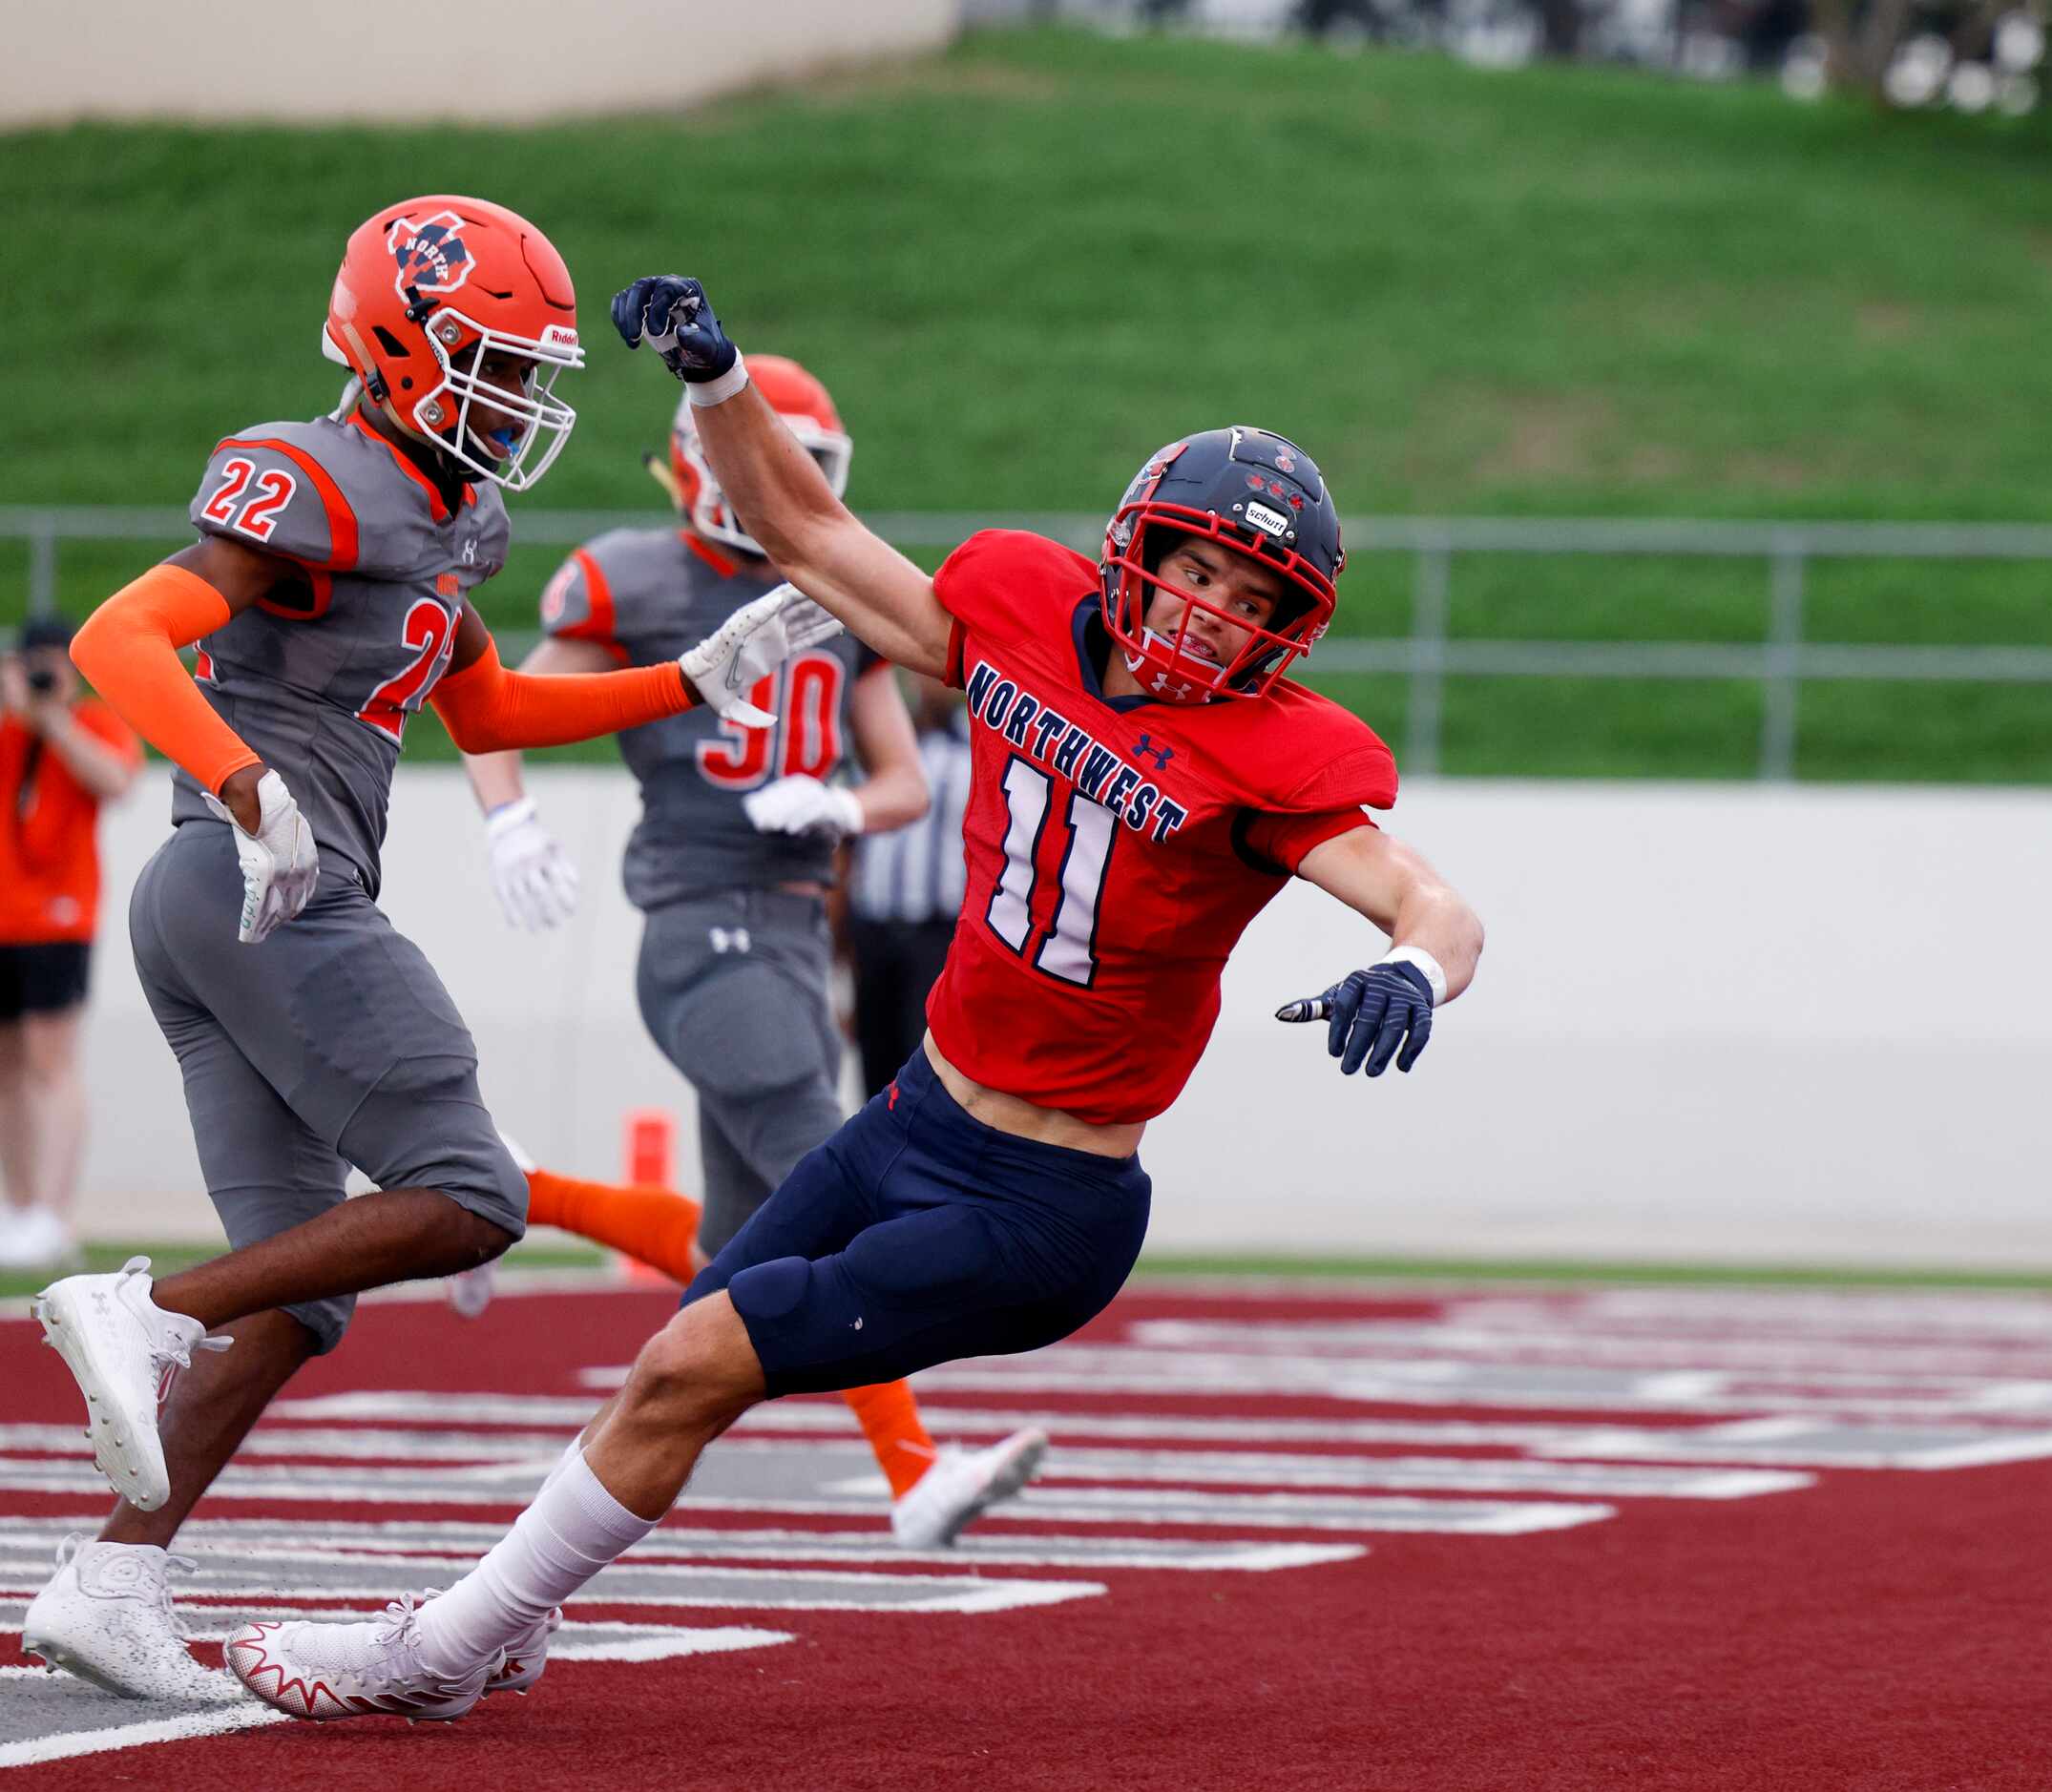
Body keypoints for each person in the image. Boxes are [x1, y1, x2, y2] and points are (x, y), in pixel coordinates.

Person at [217, 274, 1487, 1723]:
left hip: (1044, 1202)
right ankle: (507, 1625)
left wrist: (1410, 967)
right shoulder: (1018, 607)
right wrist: (719, 384)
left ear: (1290, 632)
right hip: (911, 1115)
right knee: (674, 1357)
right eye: (1200, 569)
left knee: (696, 1356)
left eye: (1254, 600)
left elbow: (1429, 899)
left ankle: (437, 1649)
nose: (1212, 614)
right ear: (1140, 547)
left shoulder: (1274, 758)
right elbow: (806, 533)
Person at [22, 201, 826, 1704]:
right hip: (259, 884)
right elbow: (125, 640)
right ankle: (145, 1312)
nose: (520, 400)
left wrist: (688, 677)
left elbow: (492, 708)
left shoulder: (452, 512)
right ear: (400, 345)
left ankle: (111, 1577)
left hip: (230, 903)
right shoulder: (315, 473)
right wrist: (250, 784)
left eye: (532, 371)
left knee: (301, 1295)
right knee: (471, 1192)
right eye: (495, 364)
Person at [459, 356, 1049, 1547]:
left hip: (788, 925)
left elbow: (895, 782)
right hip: (697, 919)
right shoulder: (635, 573)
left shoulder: (833, 586)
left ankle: (500, 1194)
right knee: (821, 1171)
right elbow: (501, 703)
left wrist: (838, 811)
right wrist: (506, 815)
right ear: (695, 452)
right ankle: (911, 1468)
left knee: (736, 1250)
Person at [0, 615, 144, 1270]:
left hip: (57, 920)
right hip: (5, 919)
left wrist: (55, 720)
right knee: (7, 1069)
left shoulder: (90, 721)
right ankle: (19, 1207)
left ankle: (52, 1216)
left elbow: (117, 781)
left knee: (50, 1064)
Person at [843, 682, 973, 1097]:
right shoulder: (880, 747)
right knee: (875, 1077)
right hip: (874, 933)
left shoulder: (975, 747)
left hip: (937, 939)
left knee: (928, 1076)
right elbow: (849, 853)